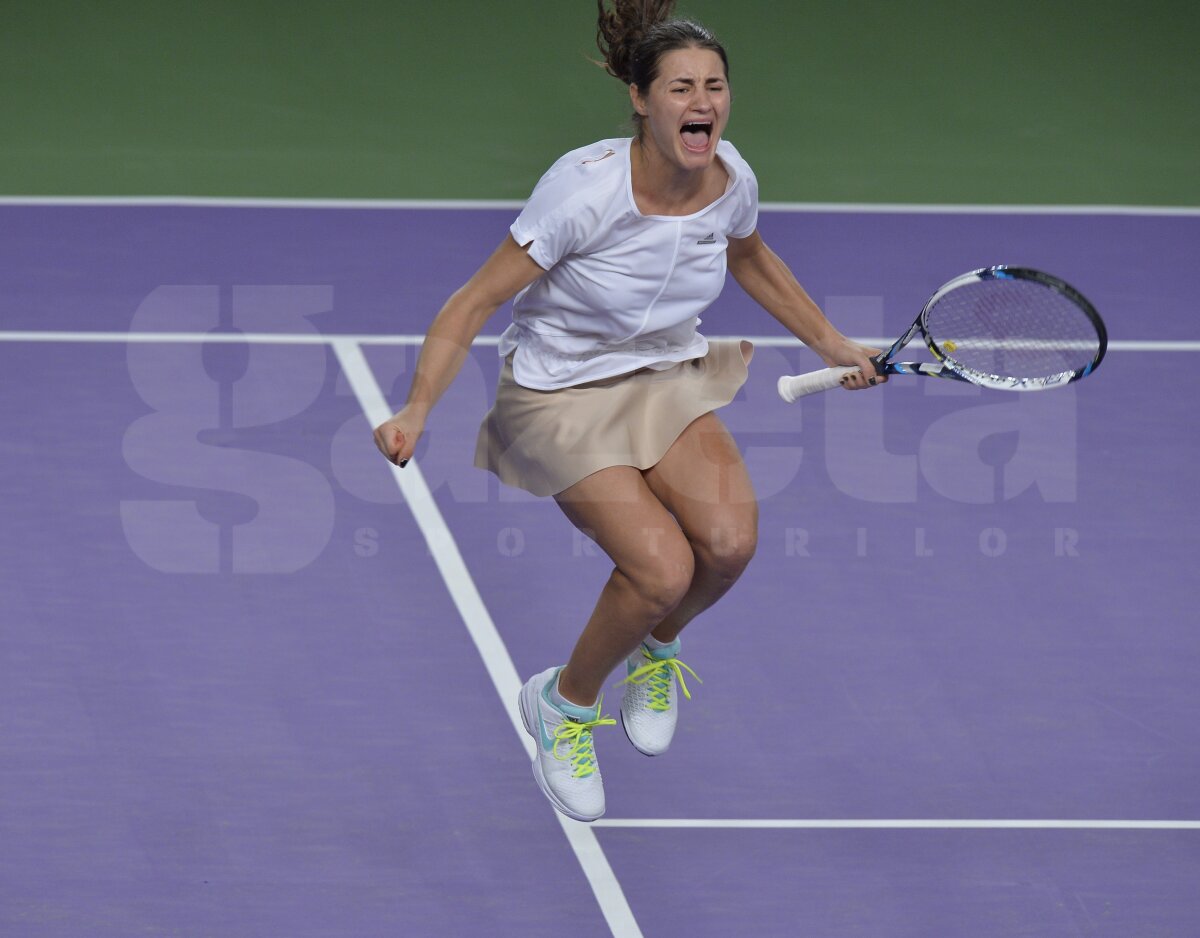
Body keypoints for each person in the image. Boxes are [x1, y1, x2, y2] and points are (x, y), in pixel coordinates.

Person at [373, 0, 883, 822]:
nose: (703, 103)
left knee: (727, 546)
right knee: (659, 569)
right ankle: (565, 708)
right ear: (642, 101)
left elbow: (751, 256)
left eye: (715, 86)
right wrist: (418, 407)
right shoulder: (583, 193)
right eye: (682, 87)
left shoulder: (731, 179)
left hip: (663, 375)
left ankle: (656, 649)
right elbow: (472, 303)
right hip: (560, 394)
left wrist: (832, 342)